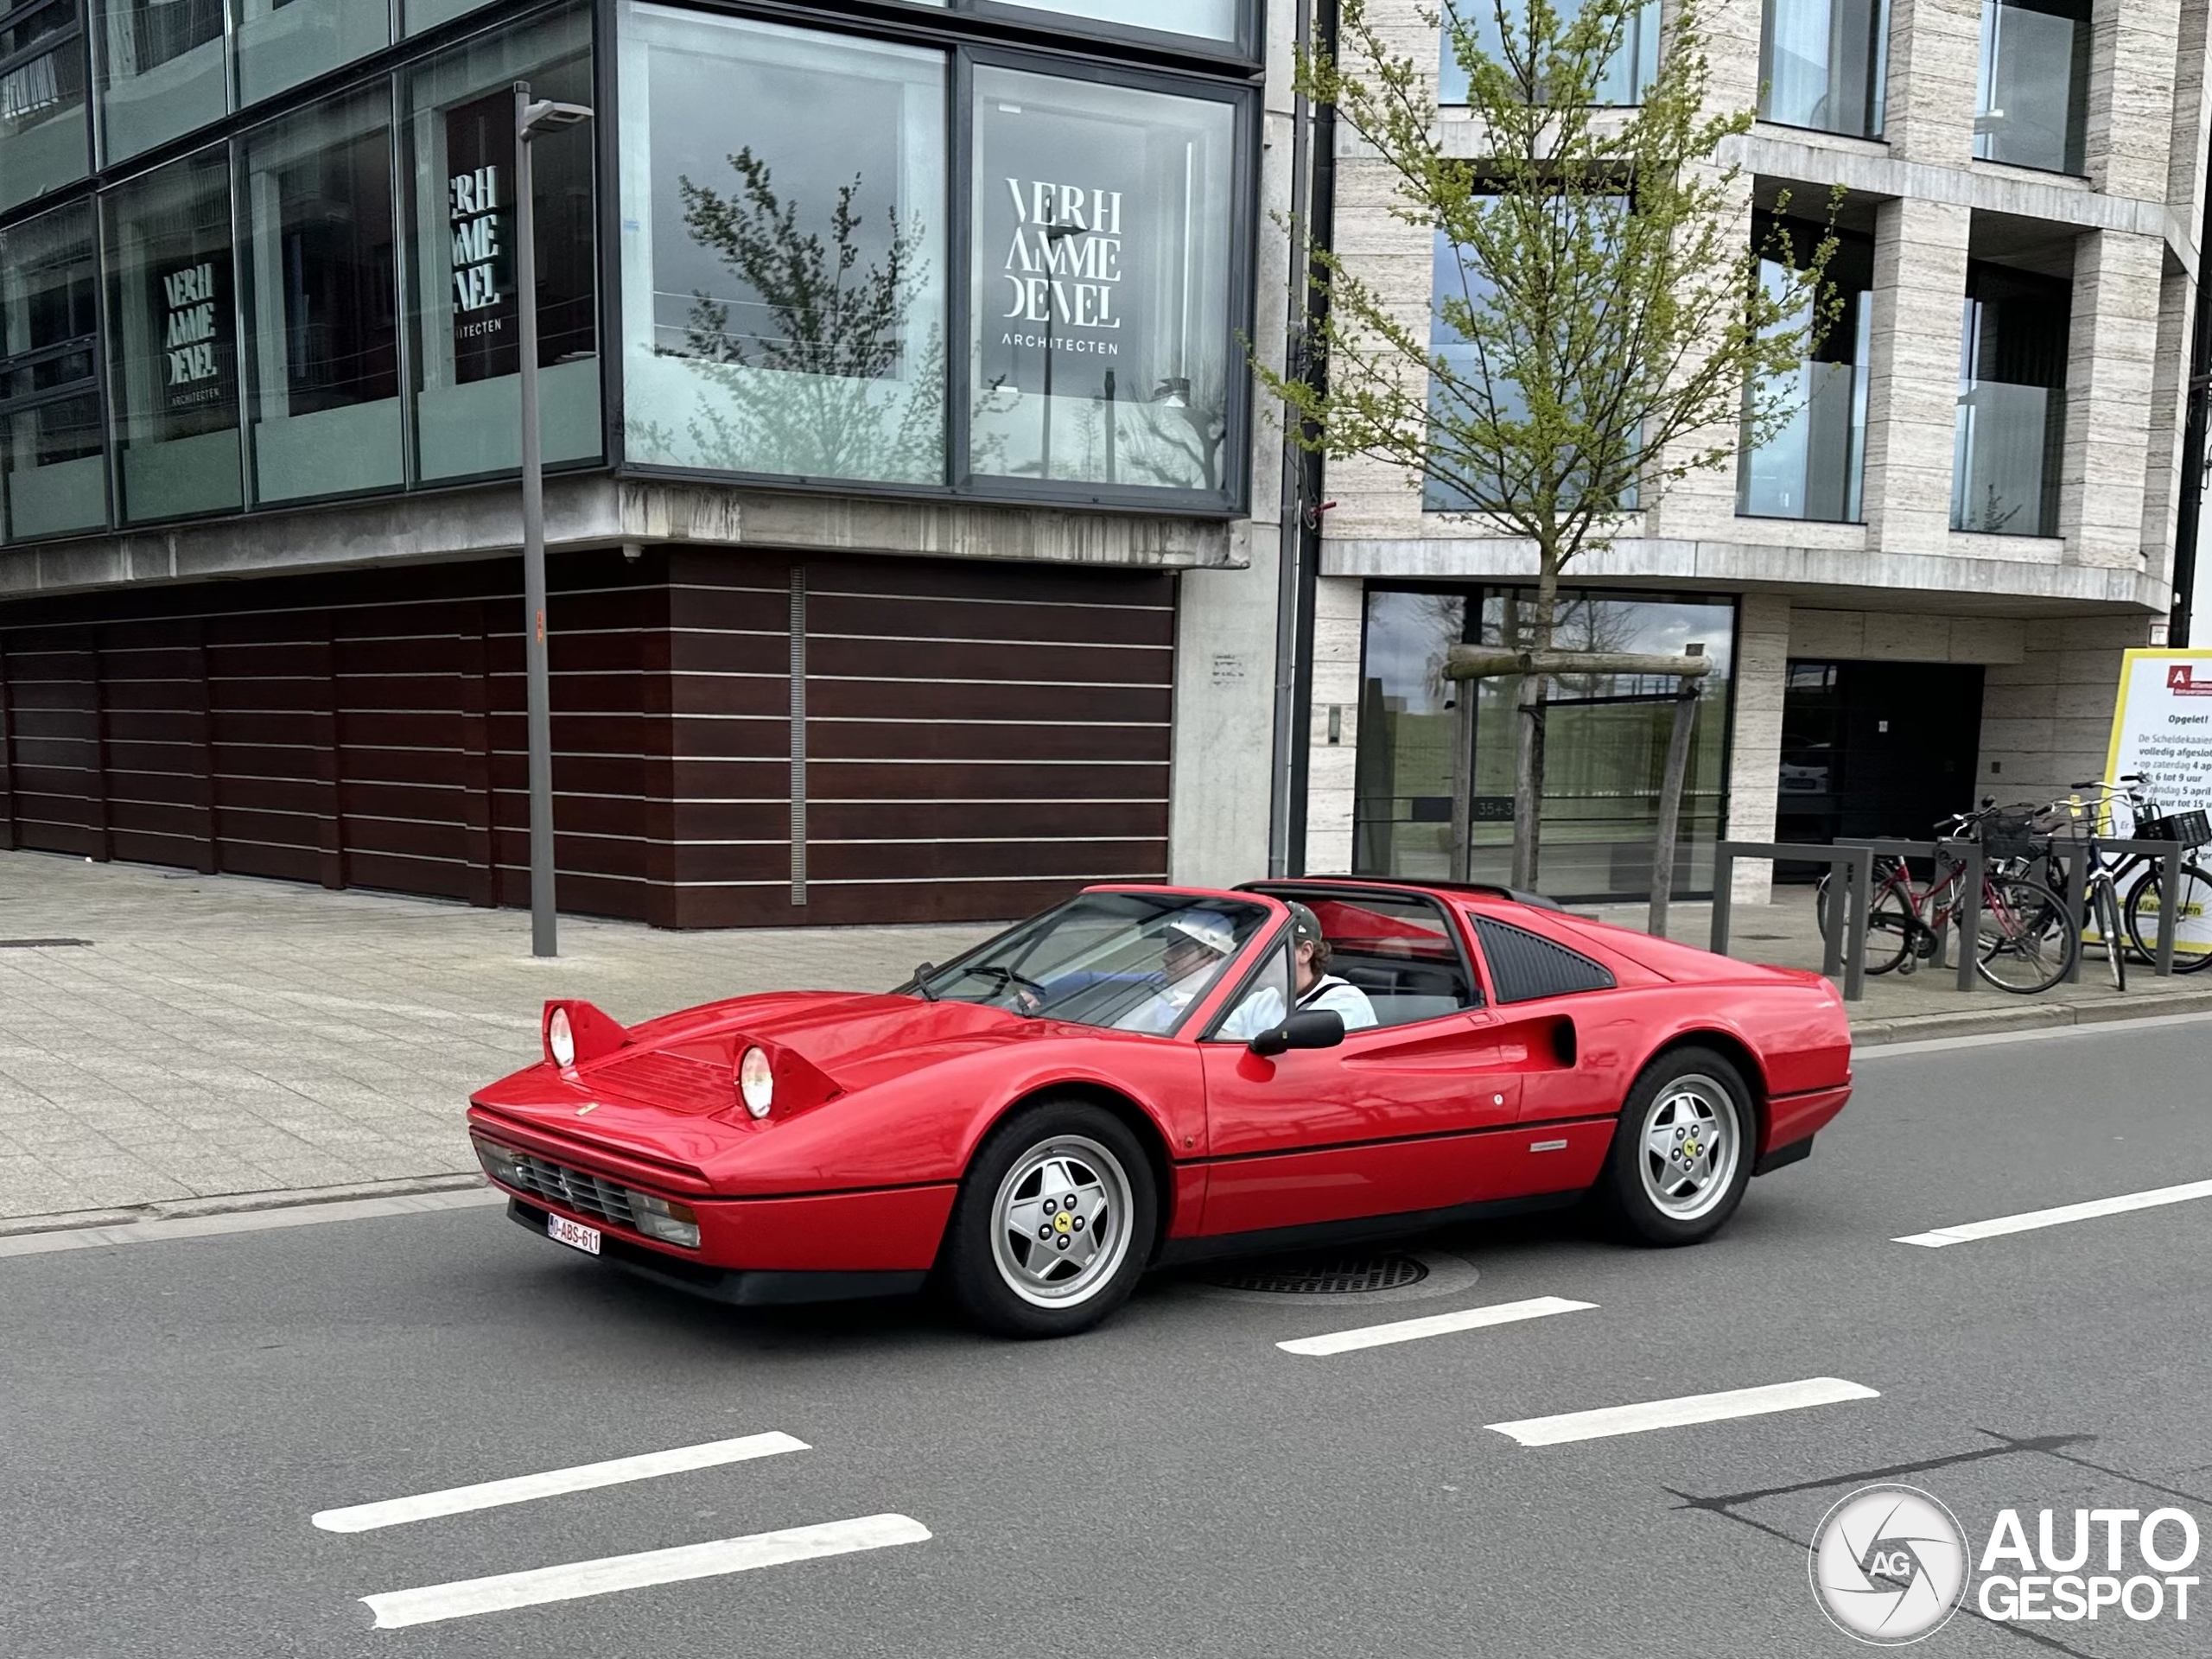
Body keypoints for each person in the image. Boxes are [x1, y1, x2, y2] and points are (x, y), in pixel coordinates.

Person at [1217, 901, 1379, 1041]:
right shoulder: (1262, 1000)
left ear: (1305, 952)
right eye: (1255, 948)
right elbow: (1218, 1033)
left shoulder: (1345, 1001)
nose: (1259, 957)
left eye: (1272, 948)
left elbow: (1308, 1063)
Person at [1112, 911, 1239, 1033]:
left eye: (1181, 948)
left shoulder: (1232, 1008)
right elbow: (1099, 981)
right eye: (1170, 945)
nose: (1166, 956)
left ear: (1211, 958)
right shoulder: (1156, 982)